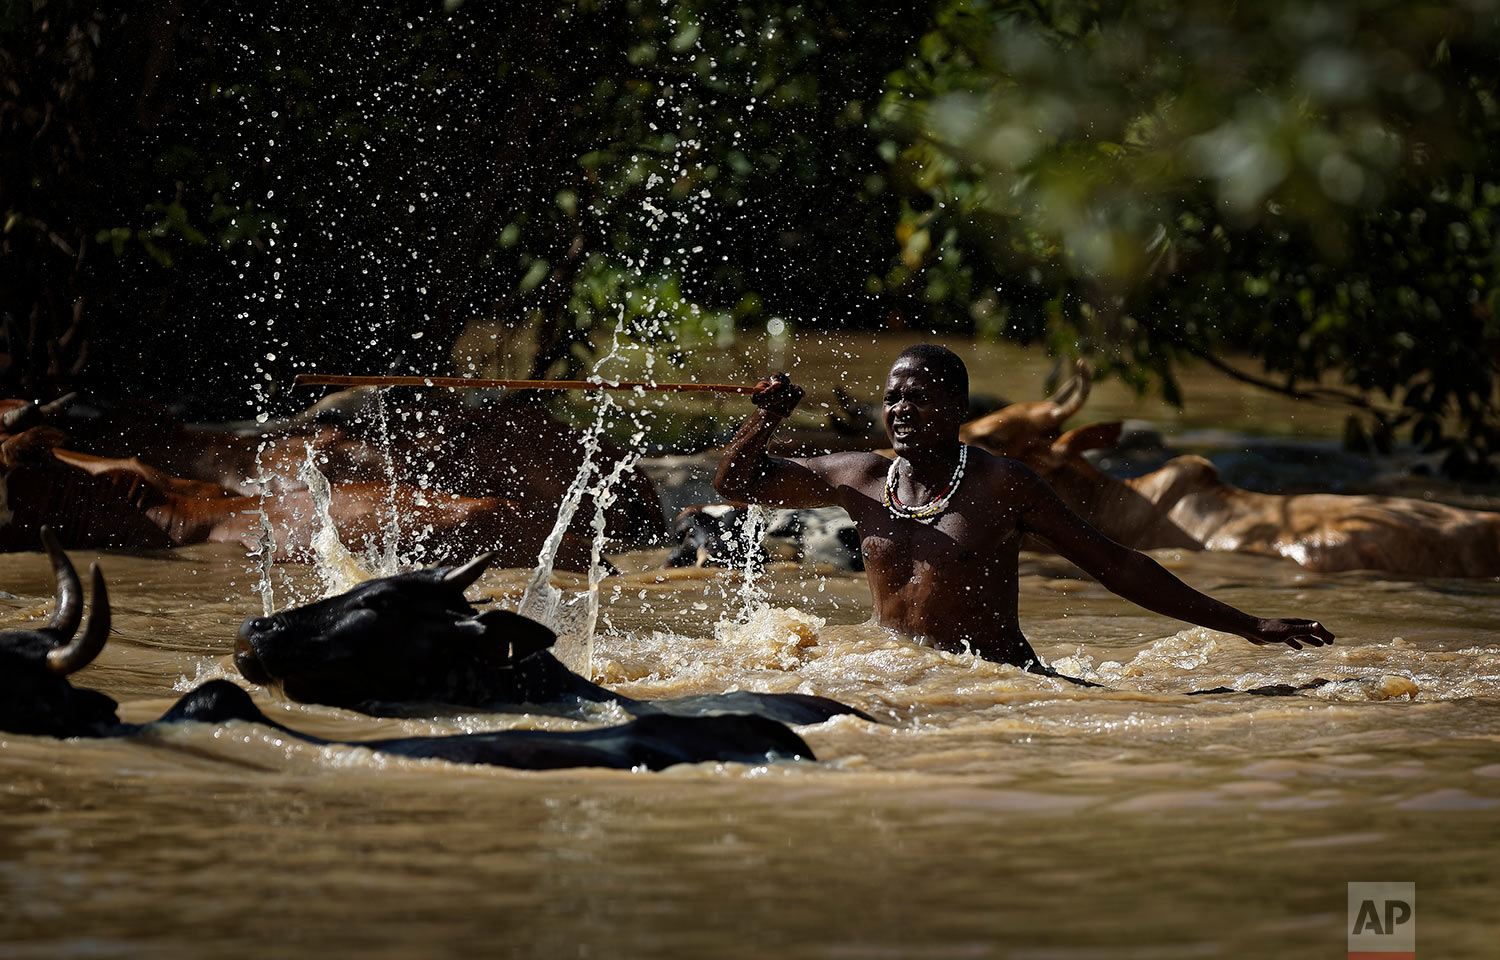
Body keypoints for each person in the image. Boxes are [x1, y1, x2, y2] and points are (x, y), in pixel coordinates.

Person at [713, 344, 1333, 671]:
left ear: (958, 411)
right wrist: (765, 419)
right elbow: (735, 485)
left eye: (920, 398)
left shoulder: (1002, 484)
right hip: (898, 672)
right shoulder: (860, 476)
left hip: (999, 681)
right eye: (892, 398)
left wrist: (1247, 625)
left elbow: (1115, 565)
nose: (900, 409)